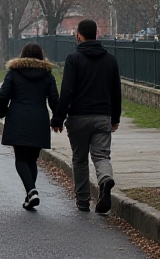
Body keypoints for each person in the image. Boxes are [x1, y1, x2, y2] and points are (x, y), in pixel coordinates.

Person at [50, 19, 122, 214]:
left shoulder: (73, 58)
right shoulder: (110, 59)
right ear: (96, 35)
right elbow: (116, 91)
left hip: (78, 117)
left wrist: (58, 118)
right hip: (102, 116)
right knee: (101, 156)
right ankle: (105, 180)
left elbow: (67, 91)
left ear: (79, 35)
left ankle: (83, 200)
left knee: (80, 159)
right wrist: (115, 118)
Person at [0, 43, 60, 210]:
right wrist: (57, 119)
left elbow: (3, 95)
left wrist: (2, 112)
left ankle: (31, 191)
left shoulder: (14, 73)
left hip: (18, 117)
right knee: (32, 159)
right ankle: (30, 194)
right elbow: (54, 99)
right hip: (39, 118)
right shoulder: (47, 75)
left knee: (21, 158)